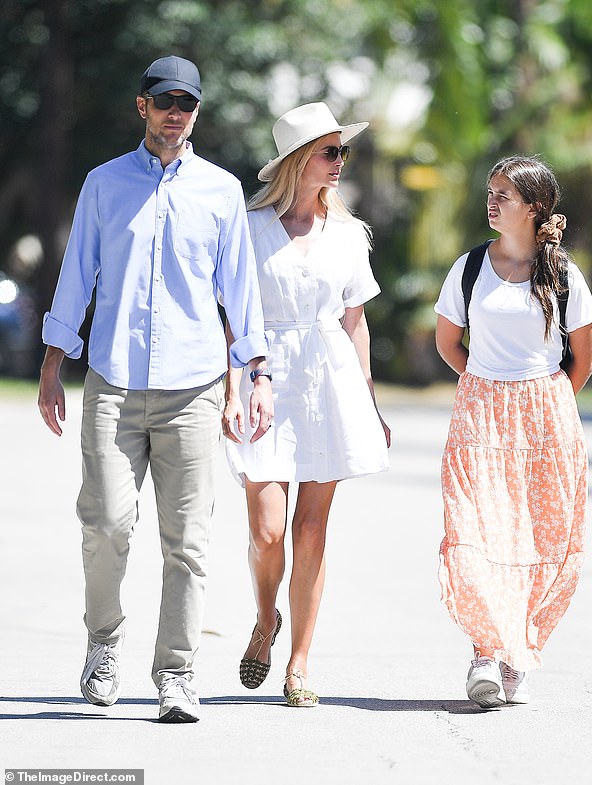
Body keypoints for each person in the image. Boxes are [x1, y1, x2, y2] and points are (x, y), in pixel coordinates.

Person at [37, 55, 273, 723]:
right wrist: (55, 362)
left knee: (188, 540)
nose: (176, 111)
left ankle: (176, 672)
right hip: (112, 383)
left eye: (188, 103)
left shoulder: (222, 191)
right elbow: (76, 274)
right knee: (106, 524)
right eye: (165, 100)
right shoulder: (104, 185)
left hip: (193, 388)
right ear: (142, 106)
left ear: (197, 112)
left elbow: (239, 290)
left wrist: (258, 371)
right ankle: (103, 643)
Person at [223, 102, 390, 707]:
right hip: (264, 377)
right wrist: (232, 387)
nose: (340, 162)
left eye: (342, 151)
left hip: (330, 382)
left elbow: (356, 322)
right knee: (268, 529)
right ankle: (265, 619)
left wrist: (369, 401)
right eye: (330, 151)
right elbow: (231, 319)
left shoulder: (348, 234)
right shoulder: (246, 227)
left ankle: (299, 662)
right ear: (298, 161)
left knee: (312, 532)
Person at [434, 155, 592, 708]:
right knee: (476, 534)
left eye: (504, 194)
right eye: (491, 191)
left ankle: (516, 653)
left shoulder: (562, 273)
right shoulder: (469, 267)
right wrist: (487, 387)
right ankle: (484, 651)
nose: (492, 200)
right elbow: (448, 342)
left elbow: (584, 356)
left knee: (536, 540)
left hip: (546, 417)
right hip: (479, 413)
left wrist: (544, 405)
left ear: (533, 207)